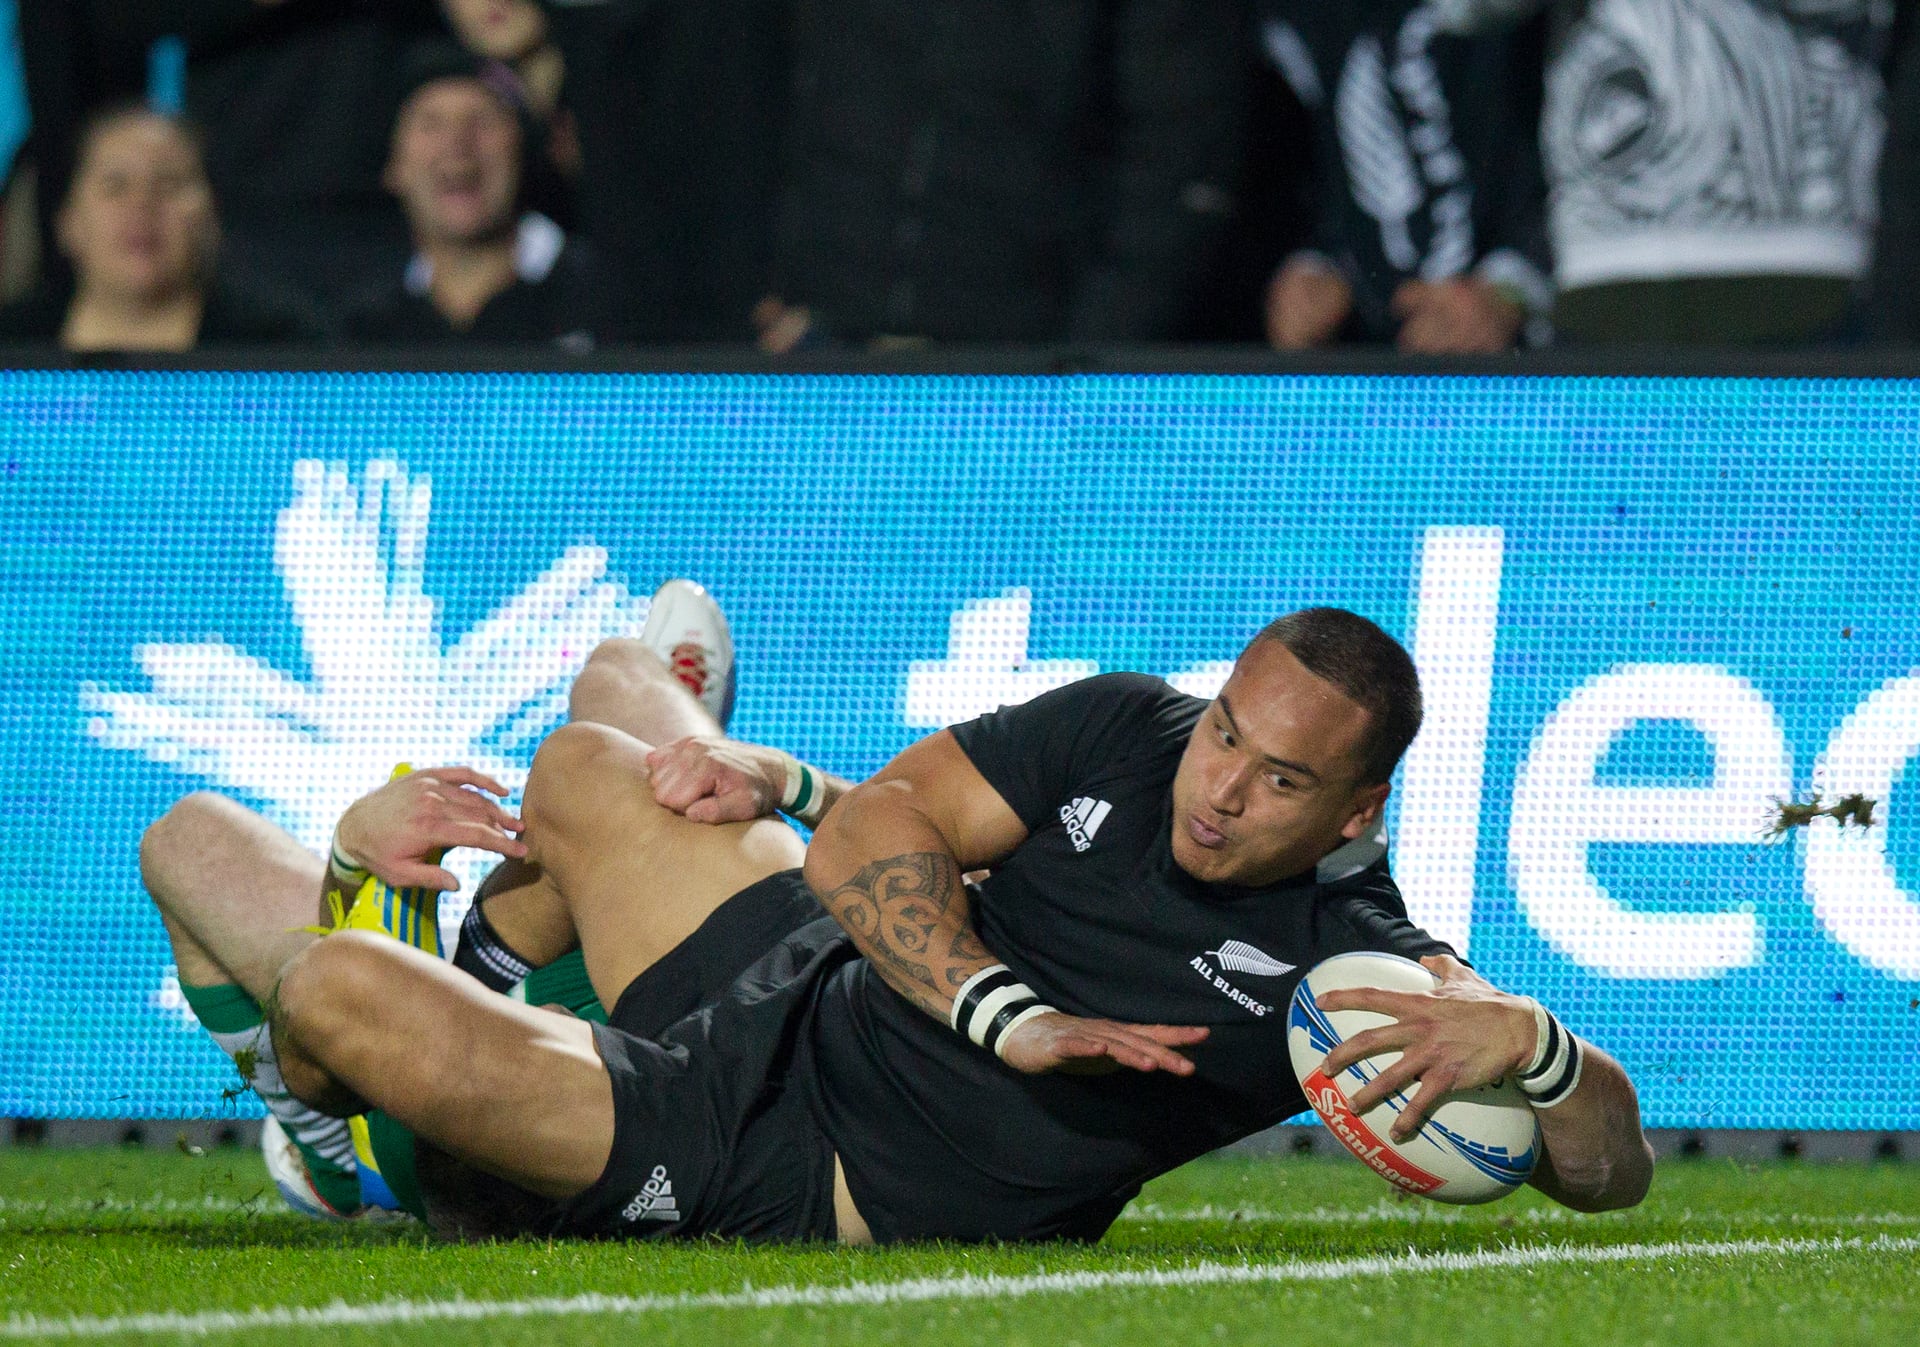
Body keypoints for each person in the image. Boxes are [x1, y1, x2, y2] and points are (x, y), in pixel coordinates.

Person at [144, 607, 1653, 1242]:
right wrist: (1008, 1010)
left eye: (1280, 778)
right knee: (597, 744)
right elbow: (872, 829)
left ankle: (377, 1073)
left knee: (331, 981)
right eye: (1226, 737)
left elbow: (1605, 1169)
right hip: (798, 977)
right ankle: (477, 977)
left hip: (789, 1160)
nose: (1220, 788)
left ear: (1355, 811)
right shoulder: (1131, 724)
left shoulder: (1349, 952)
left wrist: (1540, 1047)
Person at [1257, 1, 1552, 354]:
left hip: (1530, 363)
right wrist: (1313, 262)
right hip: (1359, 366)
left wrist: (1511, 291)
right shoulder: (1279, 18)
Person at [337, 42, 610, 348]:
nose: (457, 143)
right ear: (393, 166)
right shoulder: (355, 330)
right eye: (431, 123)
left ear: (524, 151)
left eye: (482, 120)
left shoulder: (613, 296)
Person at [0, 104, 317, 351]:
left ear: (212, 219)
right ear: (68, 221)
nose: (142, 205)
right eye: (115, 185)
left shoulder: (281, 350)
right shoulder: (12, 343)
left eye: (169, 184)